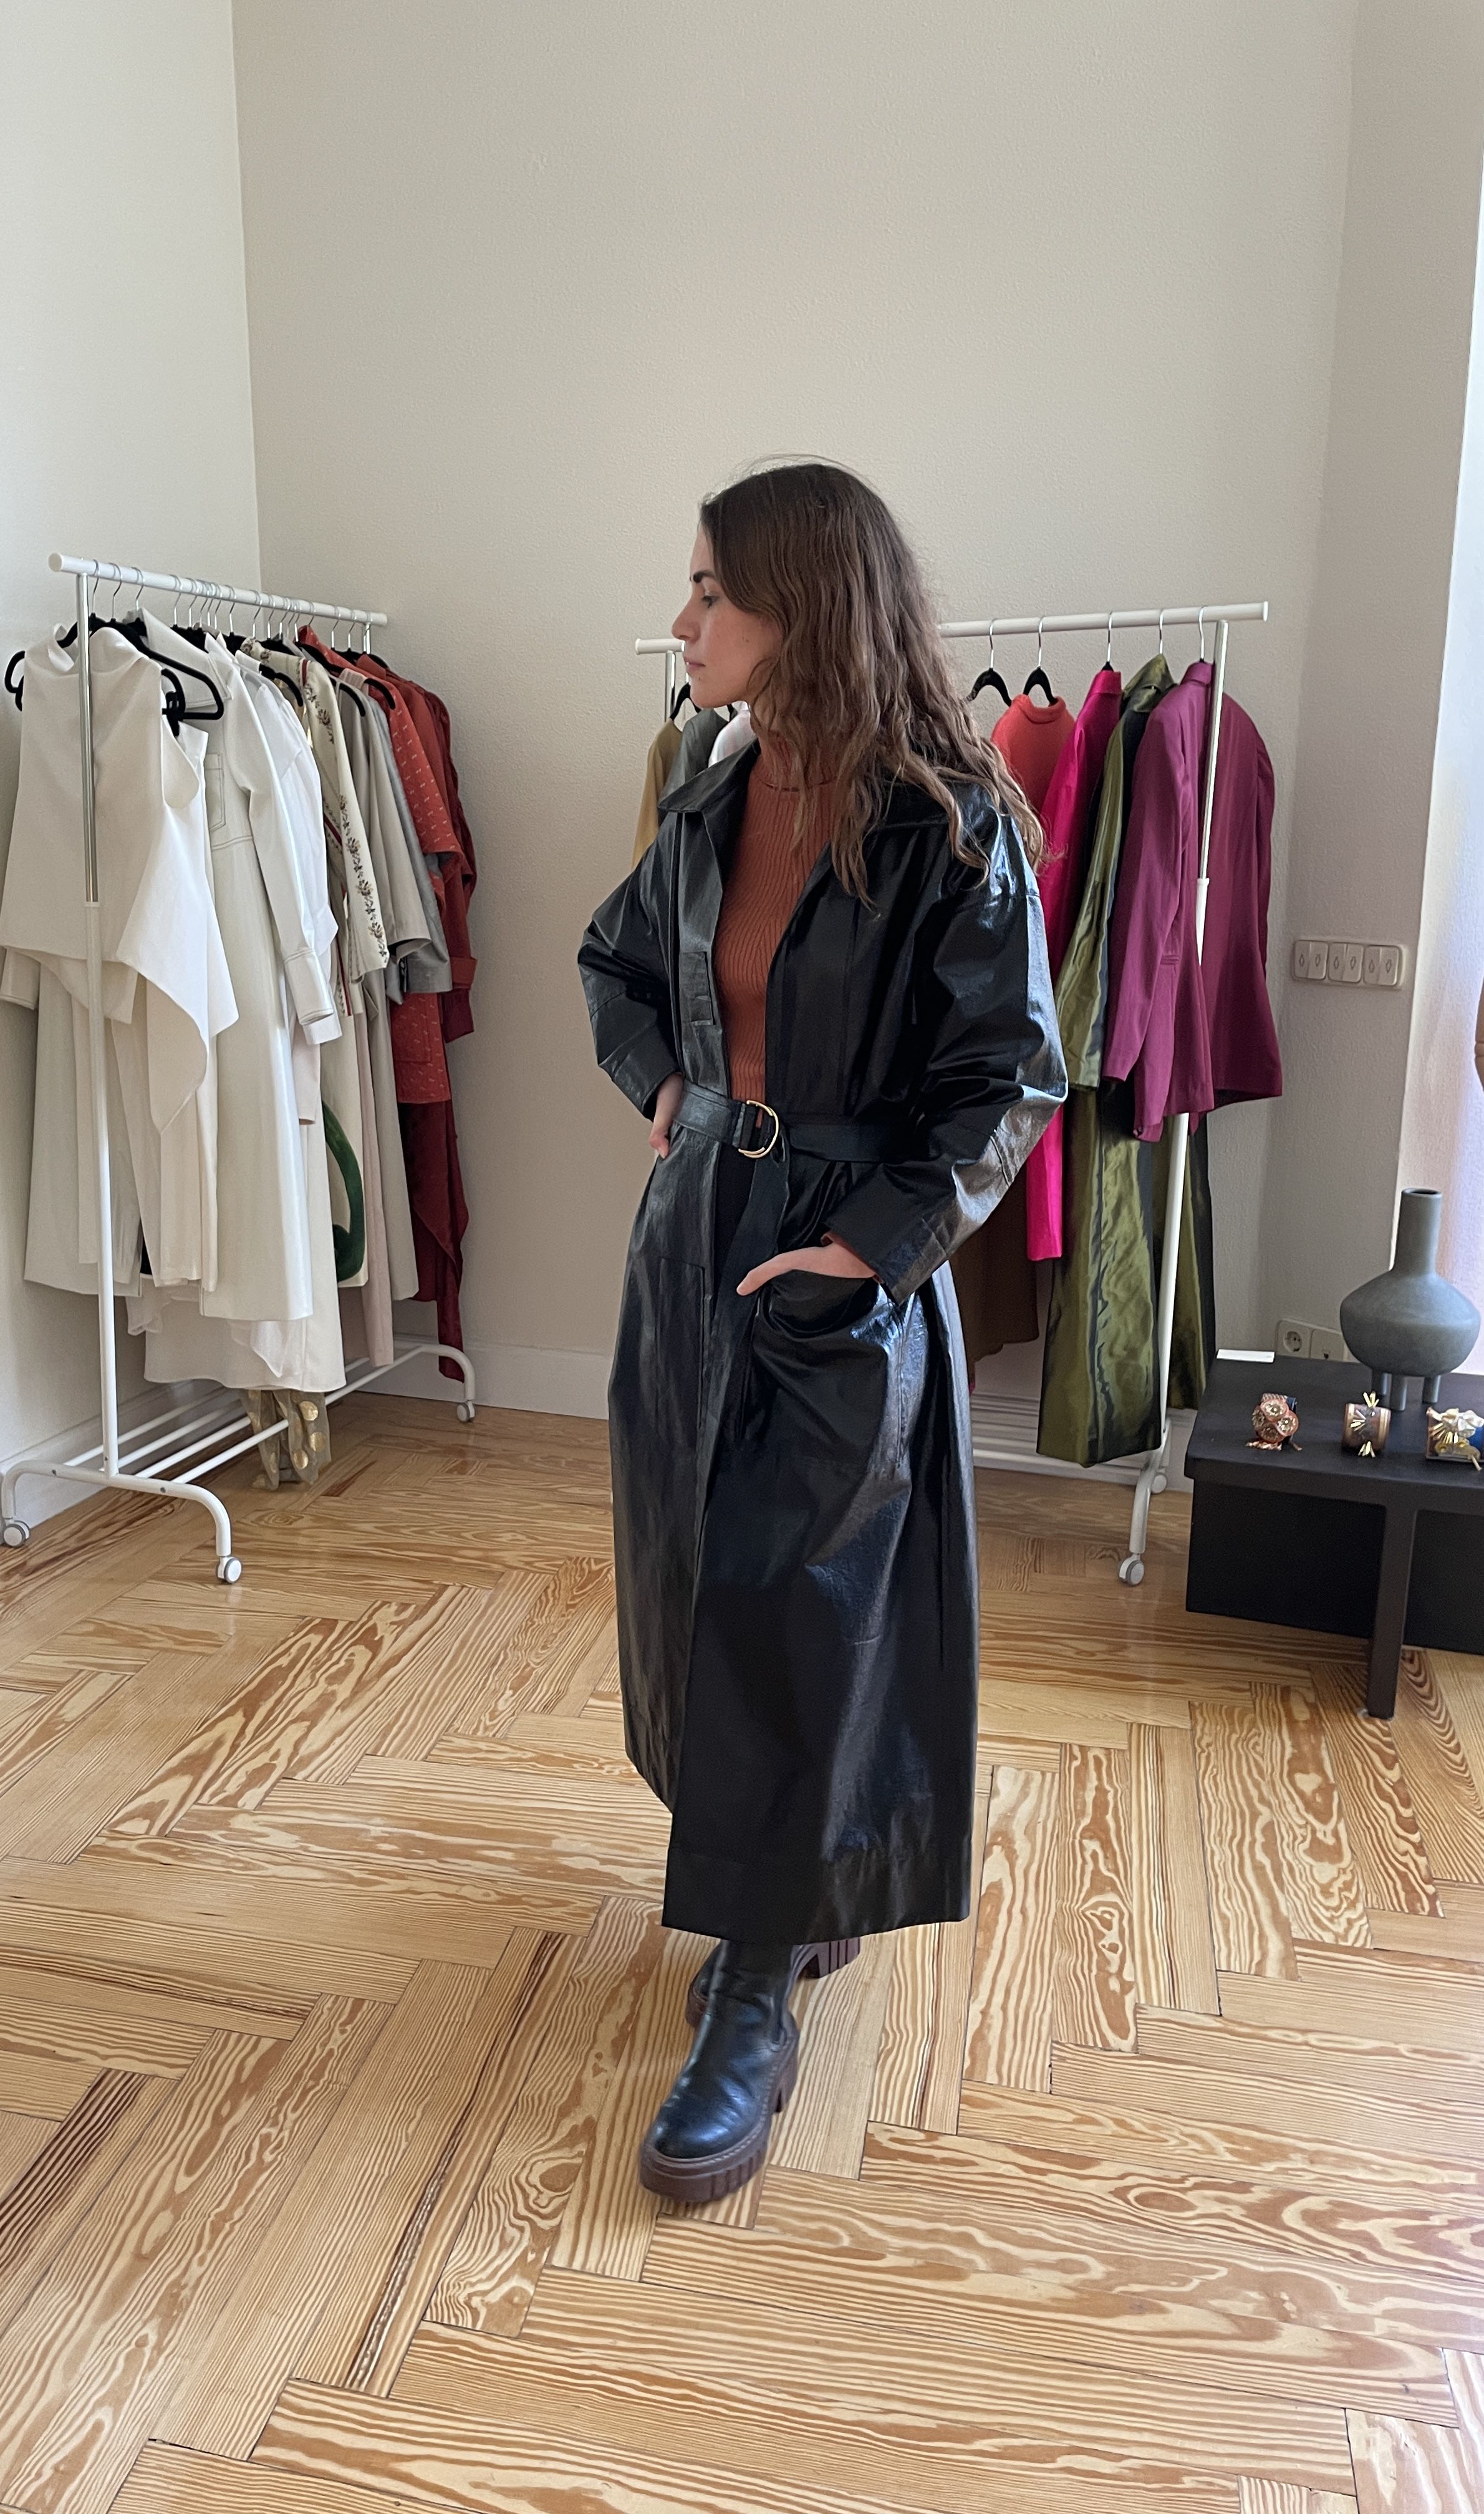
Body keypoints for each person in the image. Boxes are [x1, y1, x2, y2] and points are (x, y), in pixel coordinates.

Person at [579, 461, 1066, 2202]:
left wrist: (868, 1253)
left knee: (805, 1612)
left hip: (835, 1269)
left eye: (714, 589)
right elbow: (616, 967)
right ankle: (781, 1901)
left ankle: (756, 1990)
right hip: (696, 1241)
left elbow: (1008, 1079)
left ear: (805, 606)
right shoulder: (711, 790)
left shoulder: (954, 821)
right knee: (701, 1579)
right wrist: (665, 1094)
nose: (687, 618)